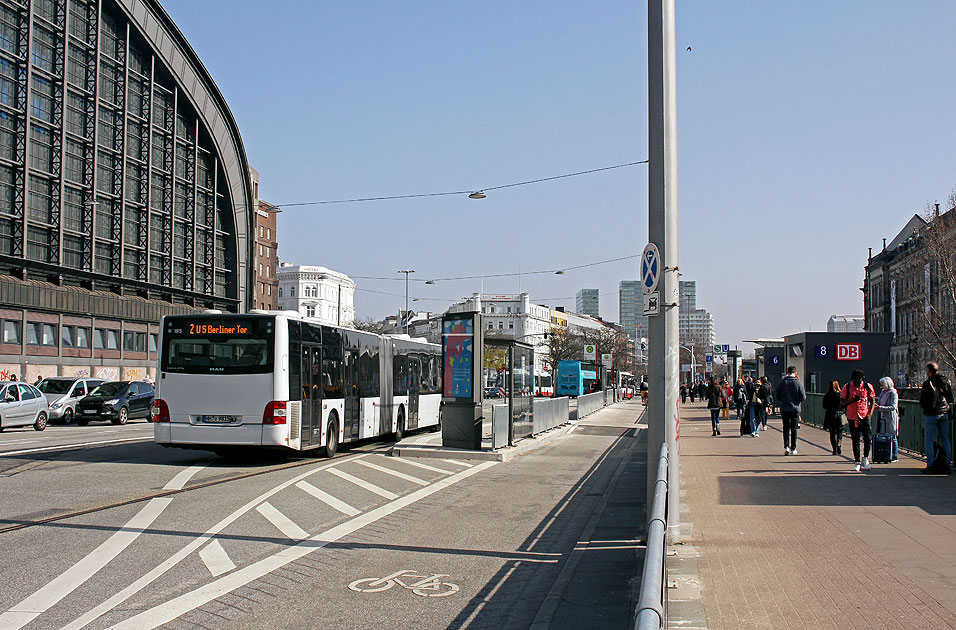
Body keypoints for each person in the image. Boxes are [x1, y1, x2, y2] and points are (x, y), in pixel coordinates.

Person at [919, 362, 953, 474]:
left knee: (929, 439)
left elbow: (923, 400)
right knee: (944, 438)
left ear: (929, 370)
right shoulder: (945, 380)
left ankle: (931, 464)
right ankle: (947, 464)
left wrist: (926, 408)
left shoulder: (928, 383)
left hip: (931, 414)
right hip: (944, 412)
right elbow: (950, 397)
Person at [842, 369, 876, 471]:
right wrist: (852, 400)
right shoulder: (847, 387)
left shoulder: (867, 387)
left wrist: (870, 413)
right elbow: (842, 402)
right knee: (855, 439)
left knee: (867, 438)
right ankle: (857, 461)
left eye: (859, 382)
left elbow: (873, 400)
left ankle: (865, 458)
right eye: (856, 382)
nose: (858, 384)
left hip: (864, 415)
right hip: (852, 416)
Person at [775, 366, 806, 455]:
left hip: (785, 408)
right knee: (794, 428)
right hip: (795, 409)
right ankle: (793, 448)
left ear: (787, 372)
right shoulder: (798, 383)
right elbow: (803, 397)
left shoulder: (782, 383)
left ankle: (786, 446)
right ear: (795, 373)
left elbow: (778, 396)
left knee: (786, 428)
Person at [876, 377, 899, 463]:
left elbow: (893, 407)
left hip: (890, 417)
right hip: (883, 417)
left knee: (892, 436)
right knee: (884, 436)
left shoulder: (893, 393)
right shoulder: (883, 392)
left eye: (882, 385)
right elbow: (879, 402)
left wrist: (880, 408)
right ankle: (886, 454)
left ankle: (894, 455)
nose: (881, 386)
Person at [822, 379, 843, 455]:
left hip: (830, 414)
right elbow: (843, 405)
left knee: (832, 433)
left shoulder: (827, 395)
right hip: (839, 414)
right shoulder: (840, 395)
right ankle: (839, 444)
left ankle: (834, 449)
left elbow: (824, 406)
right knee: (840, 431)